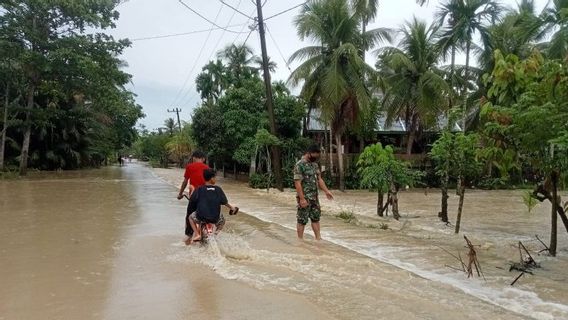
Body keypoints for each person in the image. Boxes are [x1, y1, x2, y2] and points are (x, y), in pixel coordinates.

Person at [293, 144, 333, 240]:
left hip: (314, 197)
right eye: (314, 156)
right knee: (302, 220)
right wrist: (302, 199)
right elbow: (297, 183)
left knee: (316, 218)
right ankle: (300, 240)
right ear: (309, 153)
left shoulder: (314, 165)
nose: (316, 158)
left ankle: (318, 239)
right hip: (304, 197)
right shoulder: (299, 165)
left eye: (317, 156)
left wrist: (327, 191)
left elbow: (319, 180)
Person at [188, 168, 237, 243]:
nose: (215, 179)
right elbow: (224, 202)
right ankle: (216, 233)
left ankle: (197, 234)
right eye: (215, 177)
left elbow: (192, 200)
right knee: (222, 221)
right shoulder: (218, 189)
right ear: (211, 178)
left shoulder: (199, 189)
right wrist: (232, 208)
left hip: (201, 217)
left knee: (190, 217)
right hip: (215, 218)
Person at [178, 151, 209, 245]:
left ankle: (188, 236)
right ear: (203, 159)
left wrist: (180, 193)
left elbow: (185, 181)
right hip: (205, 197)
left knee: (189, 216)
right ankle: (205, 233)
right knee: (205, 216)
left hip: (194, 197)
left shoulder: (190, 166)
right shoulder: (207, 168)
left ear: (194, 158)